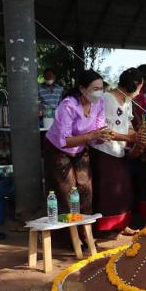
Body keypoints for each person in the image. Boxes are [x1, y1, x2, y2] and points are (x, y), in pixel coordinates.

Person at [45, 69, 109, 217]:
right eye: (95, 89)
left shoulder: (99, 103)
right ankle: (68, 236)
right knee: (66, 191)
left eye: (101, 89)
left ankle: (85, 233)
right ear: (82, 89)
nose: (99, 93)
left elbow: (99, 129)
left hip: (80, 148)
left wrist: (103, 135)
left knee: (85, 189)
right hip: (57, 149)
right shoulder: (68, 106)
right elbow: (64, 141)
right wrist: (91, 135)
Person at [89, 68, 143, 232]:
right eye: (140, 88)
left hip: (118, 151)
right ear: (134, 86)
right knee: (107, 190)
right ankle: (104, 227)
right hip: (102, 150)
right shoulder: (106, 99)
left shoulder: (127, 102)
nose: (140, 93)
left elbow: (128, 126)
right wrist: (130, 138)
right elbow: (103, 131)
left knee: (124, 188)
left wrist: (139, 136)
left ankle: (120, 225)